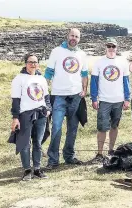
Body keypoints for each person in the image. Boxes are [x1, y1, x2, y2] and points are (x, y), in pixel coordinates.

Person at [44, 28, 88, 169]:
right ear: (67, 36)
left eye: (76, 36)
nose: (73, 38)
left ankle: (69, 156)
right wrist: (44, 92)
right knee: (56, 127)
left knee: (73, 128)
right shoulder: (56, 51)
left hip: (75, 96)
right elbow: (49, 72)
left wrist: (84, 89)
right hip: (59, 96)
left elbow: (84, 74)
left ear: (79, 39)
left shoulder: (82, 54)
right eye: (72, 35)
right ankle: (53, 160)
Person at [89, 38, 130, 163]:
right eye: (109, 46)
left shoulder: (122, 62)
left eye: (113, 46)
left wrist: (127, 98)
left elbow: (126, 81)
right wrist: (94, 98)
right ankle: (99, 153)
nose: (111, 48)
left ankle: (111, 150)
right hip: (104, 100)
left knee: (114, 126)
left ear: (117, 48)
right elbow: (94, 82)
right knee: (102, 127)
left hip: (118, 100)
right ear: (105, 47)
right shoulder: (99, 62)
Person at [11, 53, 51, 180]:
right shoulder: (19, 79)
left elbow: (46, 97)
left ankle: (37, 169)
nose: (33, 64)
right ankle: (27, 170)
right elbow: (16, 99)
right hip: (25, 114)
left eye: (35, 62)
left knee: (38, 142)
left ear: (38, 64)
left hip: (41, 114)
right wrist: (15, 117)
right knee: (25, 143)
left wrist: (48, 109)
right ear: (25, 63)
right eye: (30, 62)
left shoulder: (42, 79)